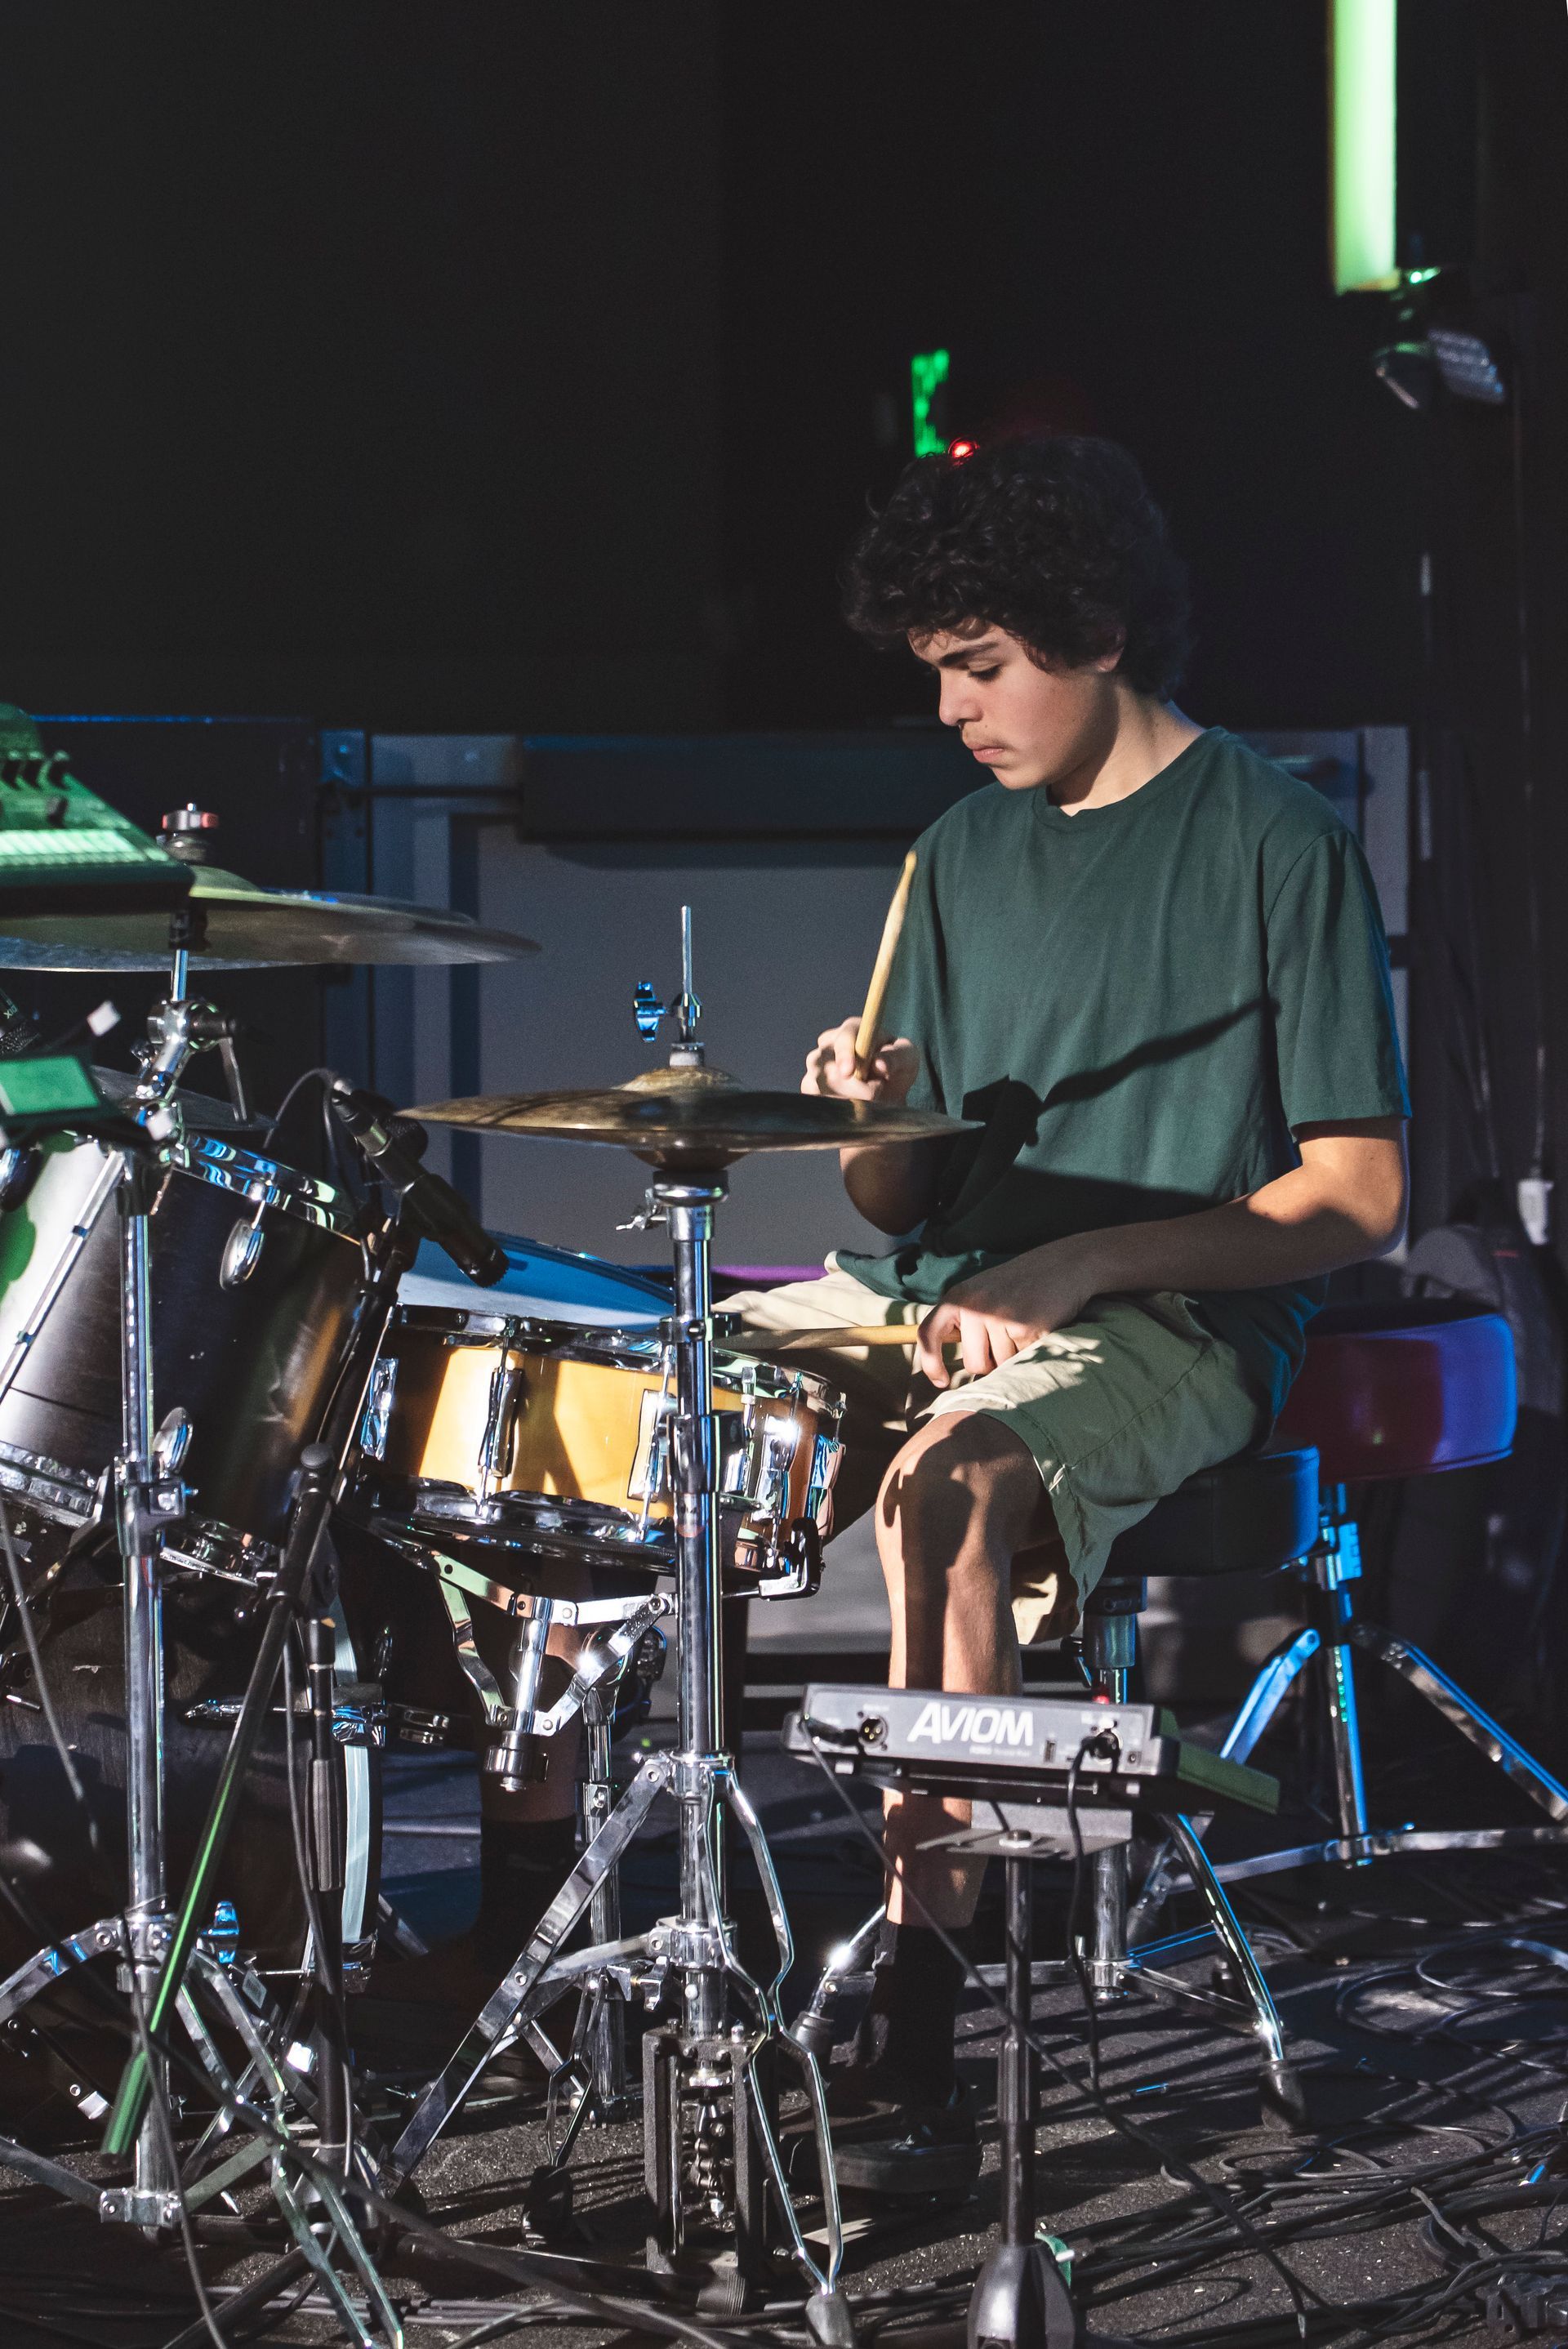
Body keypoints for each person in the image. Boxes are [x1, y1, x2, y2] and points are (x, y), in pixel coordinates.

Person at [723, 435, 1409, 2191]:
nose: (953, 708)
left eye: (979, 664)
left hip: (1174, 1313)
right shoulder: (955, 853)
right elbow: (900, 1200)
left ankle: (925, 2006)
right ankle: (530, 1909)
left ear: (1091, 629)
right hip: (938, 1289)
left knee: (949, 1484)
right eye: (937, 672)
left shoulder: (1278, 839)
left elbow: (1356, 1193)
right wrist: (874, 1122)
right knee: (625, 1380)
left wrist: (1089, 1262)